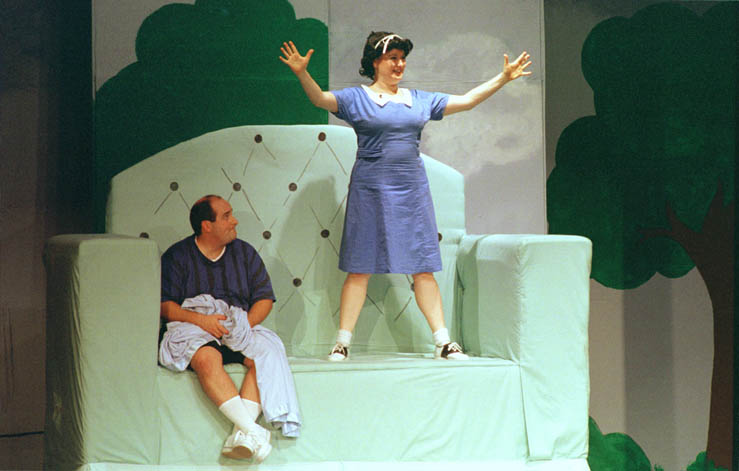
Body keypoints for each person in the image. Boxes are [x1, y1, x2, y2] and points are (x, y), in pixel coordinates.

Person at [279, 31, 531, 361]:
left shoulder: (419, 100)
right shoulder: (357, 98)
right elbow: (321, 100)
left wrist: (503, 78)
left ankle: (443, 342)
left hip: (411, 191)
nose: (399, 64)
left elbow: (467, 101)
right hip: (370, 190)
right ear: (375, 62)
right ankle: (342, 342)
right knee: (360, 267)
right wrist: (302, 73)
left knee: (422, 267)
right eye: (392, 58)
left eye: (402, 58)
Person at [159, 194, 300, 462]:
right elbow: (165, 306)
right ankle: (254, 431)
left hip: (240, 326)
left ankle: (242, 436)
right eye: (226, 216)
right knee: (206, 358)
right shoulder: (177, 256)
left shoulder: (245, 253)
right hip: (195, 326)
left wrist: (244, 325)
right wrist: (202, 321)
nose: (234, 221)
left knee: (266, 355)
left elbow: (264, 299)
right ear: (206, 226)